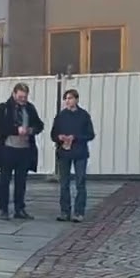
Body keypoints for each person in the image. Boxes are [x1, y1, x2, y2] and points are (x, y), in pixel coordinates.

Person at [0, 82, 44, 221]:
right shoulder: (3, 108)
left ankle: (20, 208)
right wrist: (15, 130)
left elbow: (39, 124)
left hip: (24, 150)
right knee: (5, 180)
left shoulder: (30, 108)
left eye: (25, 97)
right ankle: (4, 209)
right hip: (7, 149)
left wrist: (31, 130)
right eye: (20, 97)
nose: (22, 100)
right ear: (14, 94)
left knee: (21, 181)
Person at [50, 88, 96, 222]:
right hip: (64, 153)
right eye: (66, 99)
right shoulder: (61, 116)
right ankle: (65, 211)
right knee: (64, 183)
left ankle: (79, 212)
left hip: (80, 153)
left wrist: (75, 137)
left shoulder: (83, 115)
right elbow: (53, 134)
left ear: (76, 99)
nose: (68, 101)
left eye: (70, 98)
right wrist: (59, 137)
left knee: (80, 183)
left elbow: (90, 134)